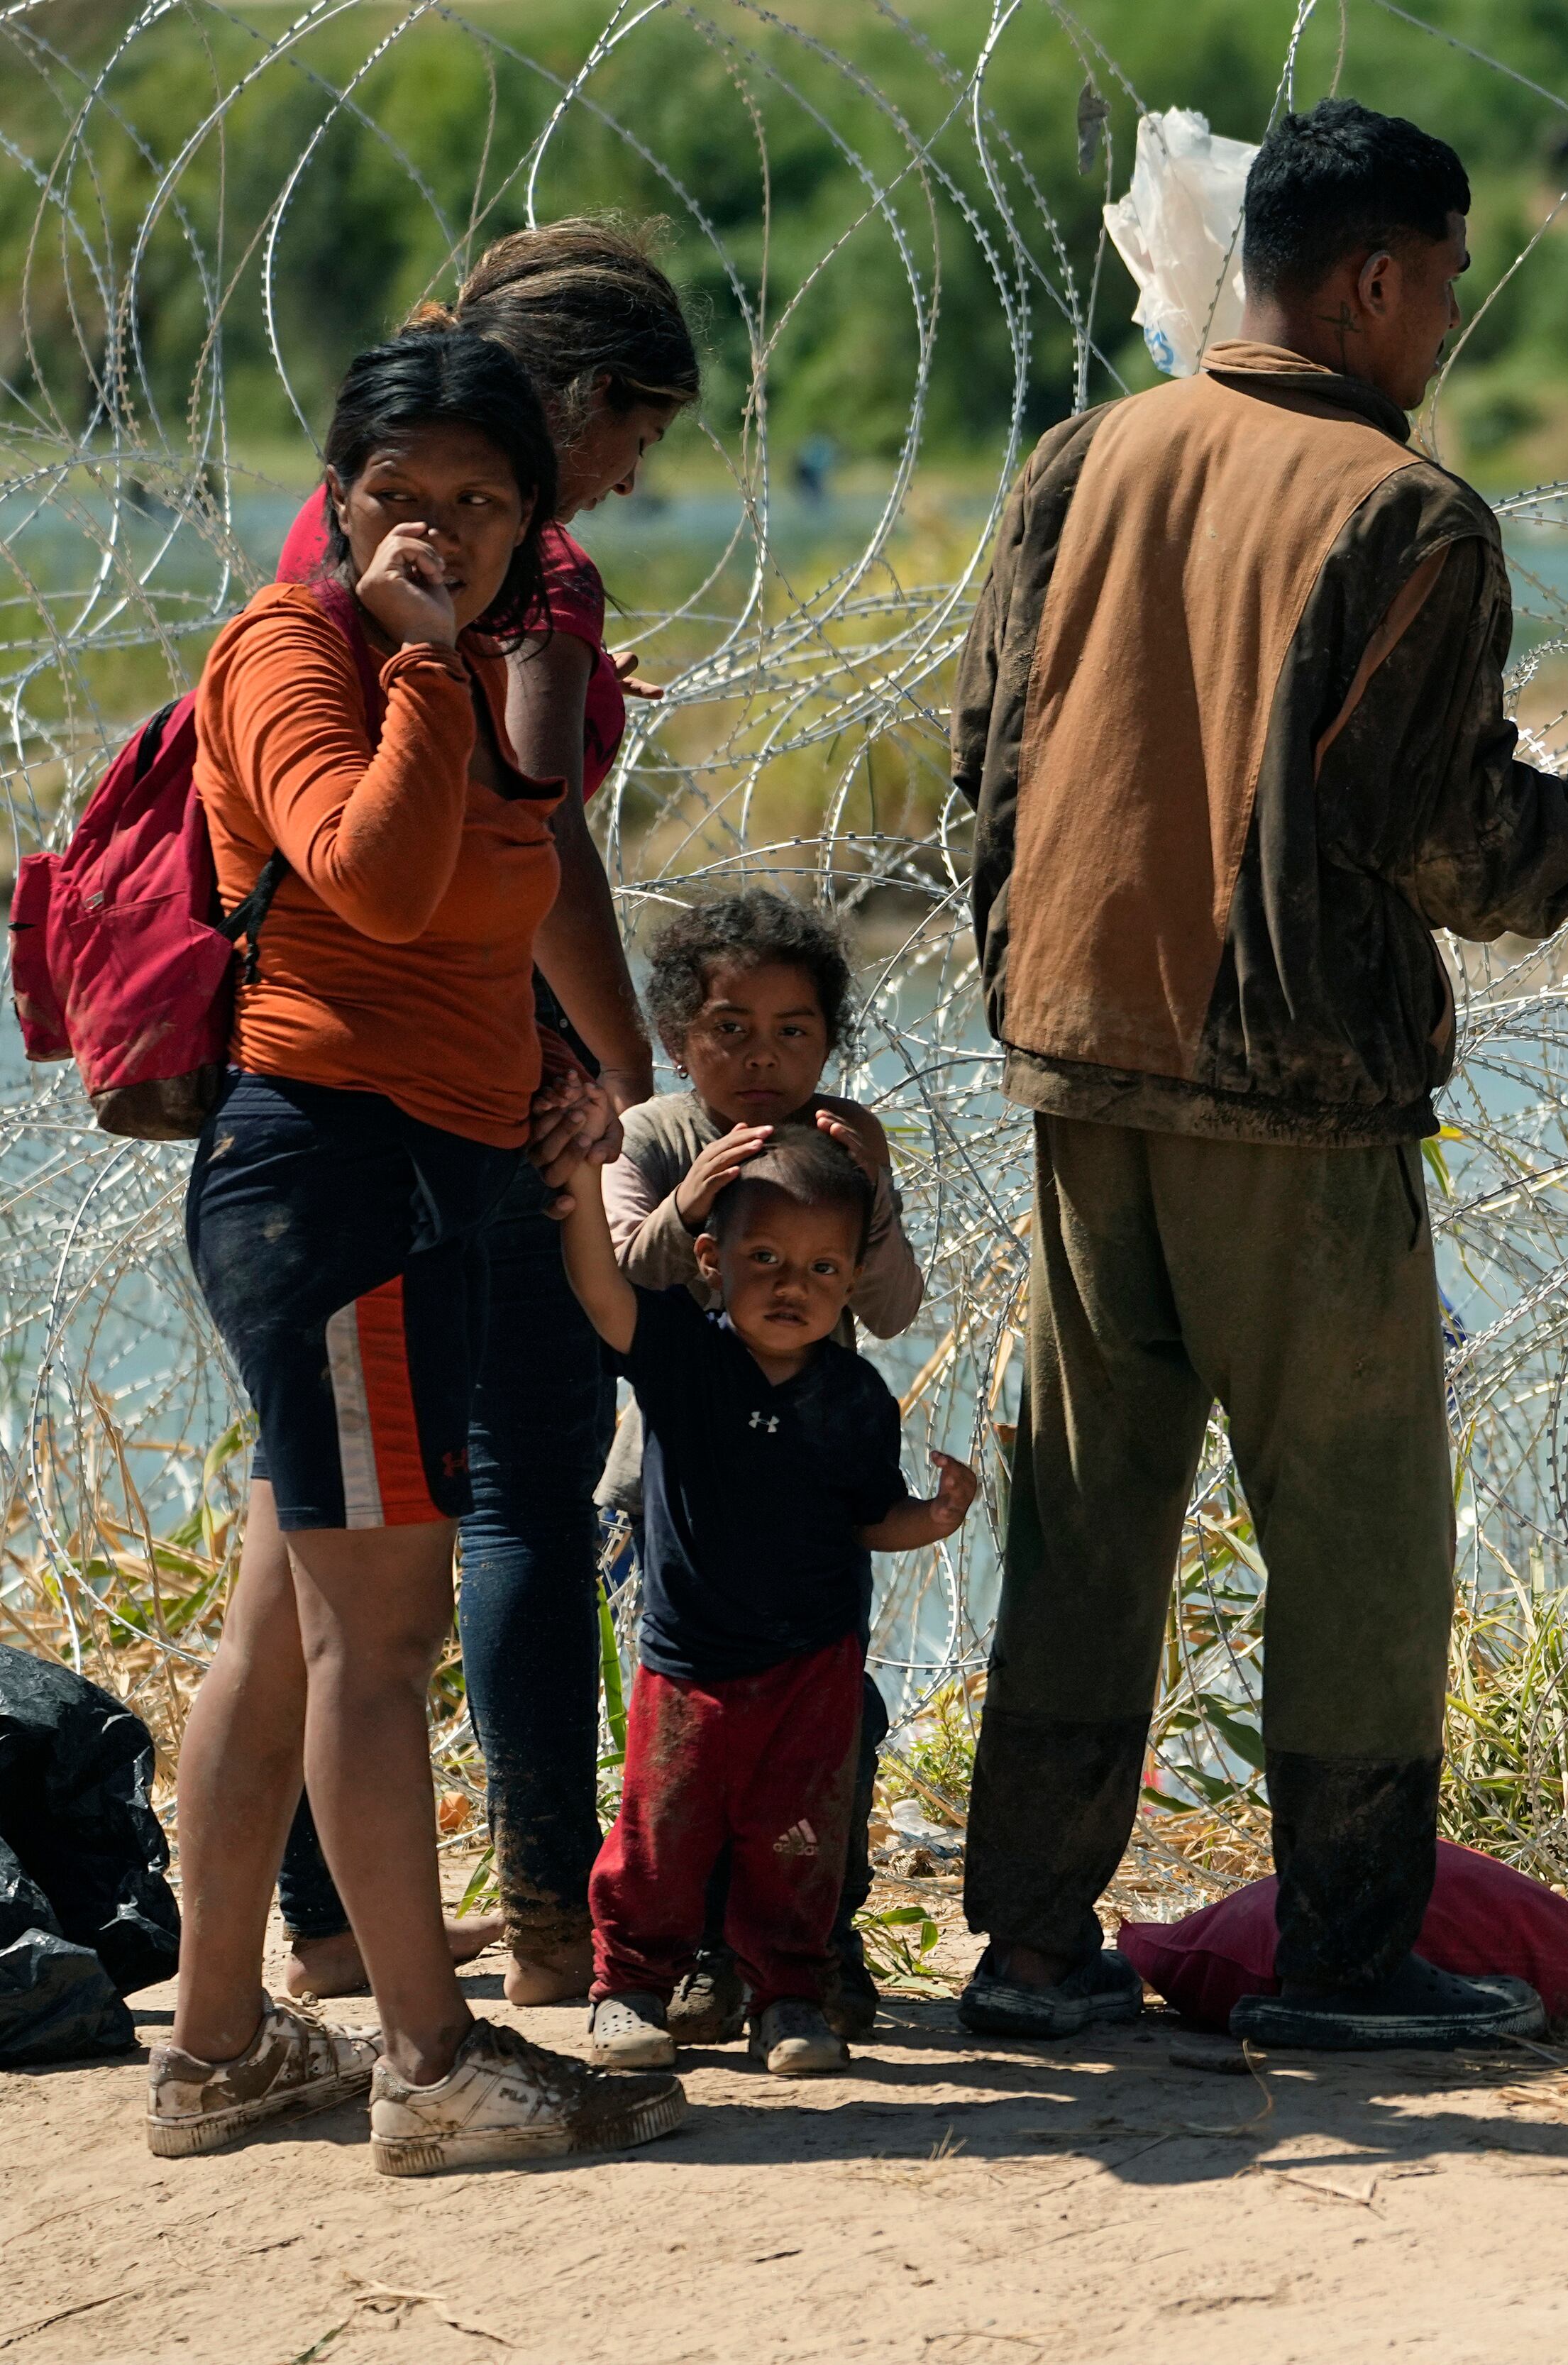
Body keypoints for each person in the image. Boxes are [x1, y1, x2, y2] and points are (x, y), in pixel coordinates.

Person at [947, 97, 1568, 2048]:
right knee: (1359, 1536)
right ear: (1379, 278)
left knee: (1086, 1522)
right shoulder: (1403, 514)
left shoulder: (1083, 459)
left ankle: (1034, 1937)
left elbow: (990, 766)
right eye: (1449, 288)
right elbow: (1457, 847)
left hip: (1081, 1065)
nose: (1449, 330)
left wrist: (1035, 990)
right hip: (1292, 1087)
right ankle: (1343, 1950)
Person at [150, 325, 685, 2173]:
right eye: (404, 500)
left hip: (430, 1168)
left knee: (285, 1627)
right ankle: (434, 2062)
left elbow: (488, 911)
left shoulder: (486, 670)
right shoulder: (295, 654)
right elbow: (368, 874)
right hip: (338, 1185)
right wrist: (433, 670)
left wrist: (567, 1081)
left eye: (481, 501)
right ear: (343, 500)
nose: (440, 533)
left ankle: (217, 2051)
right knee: (376, 1638)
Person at [272, 219, 700, 2011]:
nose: (619, 483)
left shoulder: (341, 523)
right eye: (633, 442)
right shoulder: (527, 572)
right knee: (529, 1465)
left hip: (303, 1061)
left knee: (309, 1520)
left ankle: (320, 1923)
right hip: (477, 1052)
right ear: (585, 405)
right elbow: (541, 834)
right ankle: (543, 1918)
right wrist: (627, 1073)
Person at [551, 1123, 976, 2079]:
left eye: (824, 1267)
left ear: (851, 1276)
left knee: (800, 1837)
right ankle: (628, 1988)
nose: (794, 1286)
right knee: (660, 1835)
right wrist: (580, 1174)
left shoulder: (858, 1398)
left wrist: (937, 1516)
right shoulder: (683, 1359)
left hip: (811, 1667)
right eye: (766, 1259)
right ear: (712, 1259)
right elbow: (601, 1289)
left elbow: (870, 1518)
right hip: (689, 1662)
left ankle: (789, 1994)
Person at [597, 888, 925, 2041]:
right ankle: (693, 1956)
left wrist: (872, 1186)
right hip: (676, 1500)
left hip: (810, 1493)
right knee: (689, 1746)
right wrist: (691, 1200)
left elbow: (889, 1308)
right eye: (729, 1027)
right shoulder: (651, 1138)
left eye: (795, 1030)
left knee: (830, 1724)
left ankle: (815, 1941)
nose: (762, 1056)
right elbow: (623, 1279)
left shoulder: (838, 1141)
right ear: (679, 1036)